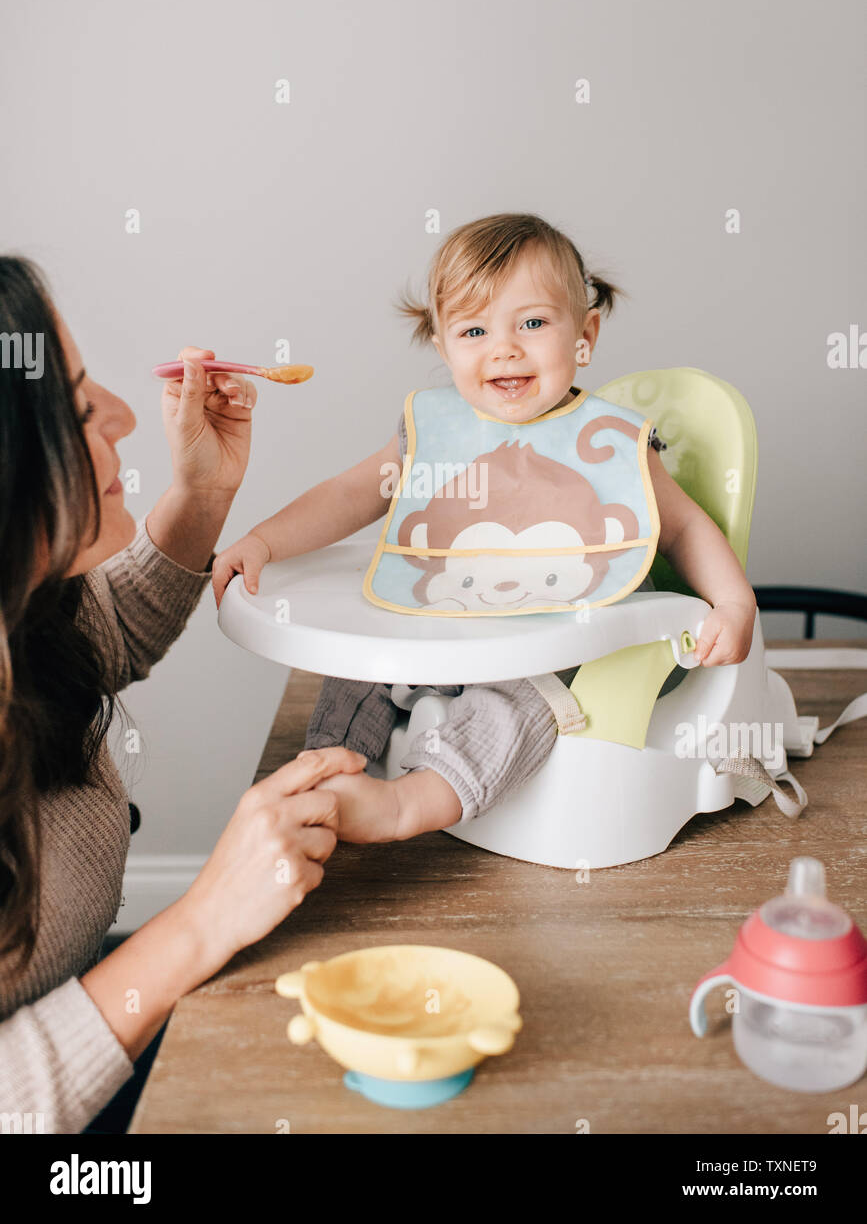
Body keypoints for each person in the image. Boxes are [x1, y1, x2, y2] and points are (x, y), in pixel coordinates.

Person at [212, 213, 757, 843]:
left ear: (585, 334)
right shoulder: (433, 430)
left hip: (549, 650)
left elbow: (683, 527)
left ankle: (408, 804)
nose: (504, 348)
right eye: (474, 329)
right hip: (440, 624)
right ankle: (327, 774)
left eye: (532, 323)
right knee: (360, 667)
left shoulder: (611, 442)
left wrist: (735, 603)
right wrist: (263, 542)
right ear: (443, 346)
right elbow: (350, 493)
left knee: (522, 709)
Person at [0, 257, 364, 1133]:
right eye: (81, 407)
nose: (123, 414)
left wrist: (202, 491)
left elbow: (107, 634)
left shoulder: (24, 620)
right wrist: (201, 921)